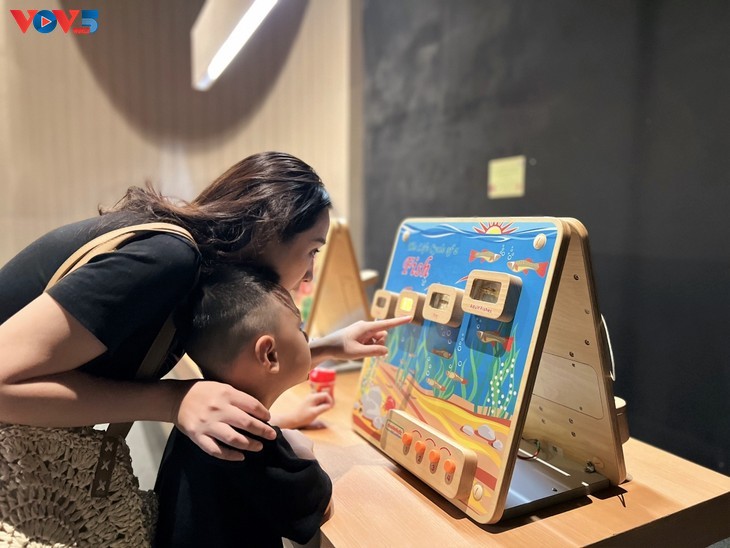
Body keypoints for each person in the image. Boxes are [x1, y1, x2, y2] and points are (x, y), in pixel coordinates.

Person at [0, 151, 408, 460]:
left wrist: (328, 346)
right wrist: (172, 400)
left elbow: (238, 357)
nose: (309, 275)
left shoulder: (192, 271)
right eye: (312, 251)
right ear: (269, 233)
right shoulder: (167, 259)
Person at [155, 265, 333, 547]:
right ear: (269, 355)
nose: (307, 337)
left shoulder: (202, 420)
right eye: (300, 328)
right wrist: (302, 450)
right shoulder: (251, 447)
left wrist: (289, 421)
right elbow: (318, 509)